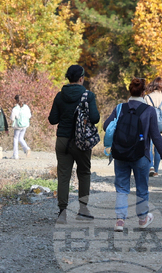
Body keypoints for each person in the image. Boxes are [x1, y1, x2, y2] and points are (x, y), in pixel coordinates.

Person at [105, 78, 162, 232]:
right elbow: (156, 135)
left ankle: (120, 221)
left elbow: (106, 125)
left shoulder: (120, 108)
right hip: (141, 155)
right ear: (143, 92)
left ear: (130, 91)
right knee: (141, 188)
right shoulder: (149, 110)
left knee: (121, 188)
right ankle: (142, 219)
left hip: (120, 154)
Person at [48, 64, 100, 224]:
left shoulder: (59, 95)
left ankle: (62, 213)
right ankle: (82, 210)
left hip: (62, 140)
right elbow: (95, 118)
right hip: (81, 141)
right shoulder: (88, 95)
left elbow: (52, 120)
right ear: (81, 78)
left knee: (63, 175)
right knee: (83, 173)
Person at [11, 95, 32, 160]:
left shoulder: (15, 109)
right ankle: (26, 148)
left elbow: (12, 118)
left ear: (16, 101)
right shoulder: (26, 107)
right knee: (21, 138)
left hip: (18, 126)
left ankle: (15, 154)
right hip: (25, 125)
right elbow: (29, 116)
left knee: (16, 139)